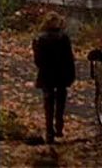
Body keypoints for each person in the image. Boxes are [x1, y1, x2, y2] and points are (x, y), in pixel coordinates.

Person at [32, 11, 76, 144]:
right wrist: (71, 75)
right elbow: (69, 58)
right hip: (61, 73)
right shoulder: (64, 38)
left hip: (46, 74)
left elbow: (37, 60)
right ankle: (59, 125)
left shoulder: (39, 38)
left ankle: (49, 130)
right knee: (61, 100)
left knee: (48, 102)